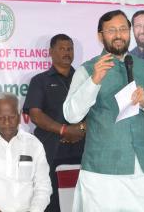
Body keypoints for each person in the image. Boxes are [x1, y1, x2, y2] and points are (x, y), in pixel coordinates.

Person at [63, 9, 144, 211]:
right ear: (100, 36)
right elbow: (71, 114)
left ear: (130, 32)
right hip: (102, 172)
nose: (118, 34)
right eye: (111, 30)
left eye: (123, 29)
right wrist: (94, 81)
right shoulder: (87, 69)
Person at [23, 34, 85, 211]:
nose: (67, 52)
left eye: (70, 48)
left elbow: (94, 111)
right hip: (51, 150)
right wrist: (64, 130)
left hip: (83, 148)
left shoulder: (84, 79)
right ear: (50, 52)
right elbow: (35, 114)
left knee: (82, 200)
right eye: (62, 48)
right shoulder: (39, 81)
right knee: (51, 202)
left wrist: (80, 129)